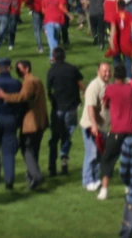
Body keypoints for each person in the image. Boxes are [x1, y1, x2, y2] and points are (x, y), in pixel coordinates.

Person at [0, 59, 48, 189]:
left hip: (30, 123)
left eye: (19, 68)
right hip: (40, 121)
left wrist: (3, 95)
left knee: (26, 149)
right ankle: (32, 178)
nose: (17, 70)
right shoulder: (36, 80)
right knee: (34, 150)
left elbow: (21, 97)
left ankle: (36, 176)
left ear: (26, 69)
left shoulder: (28, 82)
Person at [98, 64, 132, 201]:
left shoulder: (110, 89)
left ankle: (104, 189)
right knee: (130, 159)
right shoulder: (131, 89)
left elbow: (104, 104)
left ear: (115, 76)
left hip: (117, 130)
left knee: (107, 159)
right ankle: (129, 187)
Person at [46, 47, 84, 176]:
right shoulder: (72, 69)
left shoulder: (52, 71)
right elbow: (80, 84)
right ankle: (64, 158)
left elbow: (48, 90)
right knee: (67, 134)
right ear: (65, 56)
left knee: (55, 136)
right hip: (71, 106)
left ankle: (52, 166)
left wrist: (52, 100)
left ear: (54, 57)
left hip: (57, 107)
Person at [0, 58, 21, 189]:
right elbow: (20, 103)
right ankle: (9, 178)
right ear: (9, 68)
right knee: (8, 151)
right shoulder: (17, 83)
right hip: (11, 119)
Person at [80, 62, 111, 192]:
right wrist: (93, 125)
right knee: (91, 153)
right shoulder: (94, 86)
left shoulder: (107, 85)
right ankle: (87, 180)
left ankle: (95, 178)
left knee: (99, 154)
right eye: (104, 71)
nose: (107, 73)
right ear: (98, 71)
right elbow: (90, 107)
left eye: (109, 71)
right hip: (90, 125)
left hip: (102, 126)